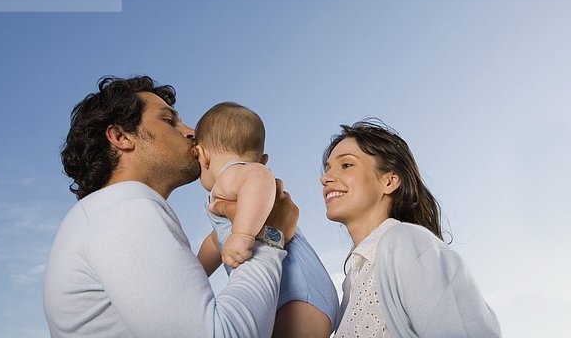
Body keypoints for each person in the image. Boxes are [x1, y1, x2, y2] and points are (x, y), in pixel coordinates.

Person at [43, 76, 298, 338]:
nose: (191, 132)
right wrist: (270, 237)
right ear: (120, 136)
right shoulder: (125, 207)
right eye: (169, 121)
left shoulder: (106, 213)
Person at [320, 119, 501, 337]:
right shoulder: (351, 282)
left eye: (346, 165)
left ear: (390, 181)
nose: (325, 178)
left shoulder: (404, 242)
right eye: (327, 169)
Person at [194, 102, 339, 338]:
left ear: (202, 155)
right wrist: (195, 274)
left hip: (294, 292)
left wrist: (242, 235)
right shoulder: (239, 197)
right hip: (299, 293)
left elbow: (259, 177)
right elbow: (214, 242)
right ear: (263, 158)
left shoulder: (231, 174)